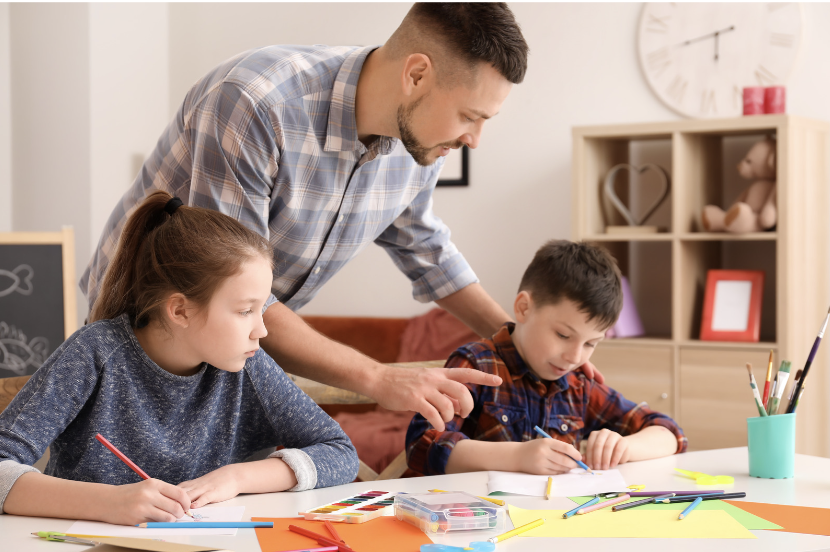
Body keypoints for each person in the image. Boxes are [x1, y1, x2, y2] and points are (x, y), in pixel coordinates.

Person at [80, 3, 605, 433]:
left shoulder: (417, 145)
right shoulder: (257, 103)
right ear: (417, 74)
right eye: (470, 116)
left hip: (237, 346)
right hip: (142, 330)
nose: (474, 139)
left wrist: (525, 341)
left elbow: (430, 254)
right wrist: (377, 378)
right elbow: (227, 289)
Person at [0, 192, 358, 524]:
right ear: (180, 310)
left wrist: (237, 477)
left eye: (261, 308)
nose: (261, 331)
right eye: (245, 311)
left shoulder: (249, 364)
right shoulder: (95, 353)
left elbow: (341, 453)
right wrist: (110, 502)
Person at [405, 240, 687, 476]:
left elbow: (671, 433)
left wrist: (623, 448)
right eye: (563, 336)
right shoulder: (477, 365)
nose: (575, 356)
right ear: (524, 308)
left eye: (590, 343)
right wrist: (516, 457)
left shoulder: (578, 383)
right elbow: (423, 445)